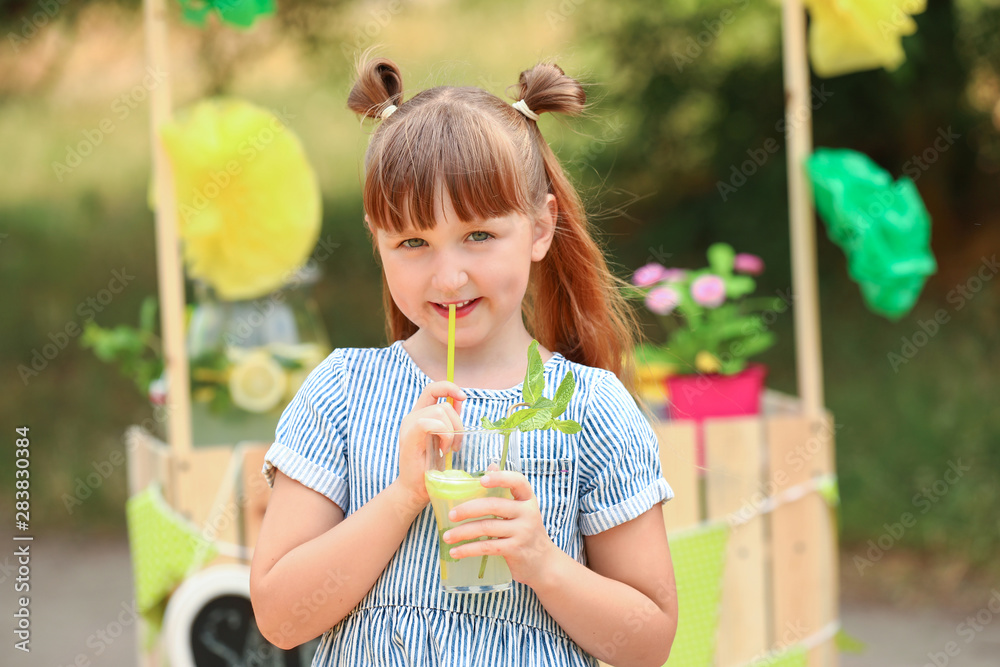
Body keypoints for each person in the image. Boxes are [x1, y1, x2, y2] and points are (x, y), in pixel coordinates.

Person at [250, 54, 678, 666]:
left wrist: (542, 562)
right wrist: (402, 497)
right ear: (378, 240)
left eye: (478, 235)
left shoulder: (592, 408)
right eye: (414, 243)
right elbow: (280, 618)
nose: (449, 277)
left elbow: (649, 643)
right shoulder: (341, 393)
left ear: (539, 227)